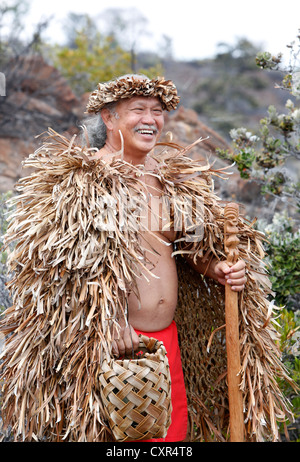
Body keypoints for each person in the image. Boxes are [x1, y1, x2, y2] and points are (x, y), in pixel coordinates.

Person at [83, 74, 247, 442]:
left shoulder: (167, 178)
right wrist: (109, 322)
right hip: (113, 344)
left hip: (165, 341)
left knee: (171, 439)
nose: (150, 119)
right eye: (137, 110)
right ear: (109, 118)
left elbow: (189, 249)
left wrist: (218, 270)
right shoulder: (85, 179)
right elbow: (63, 270)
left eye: (157, 111)